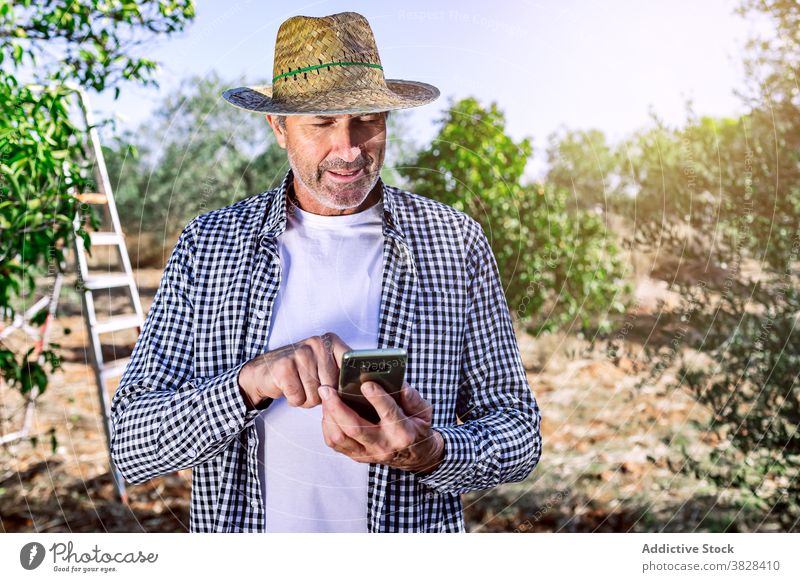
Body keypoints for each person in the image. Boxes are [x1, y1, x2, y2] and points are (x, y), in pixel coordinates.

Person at [110, 11, 542, 533]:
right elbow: (130, 441)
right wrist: (249, 383)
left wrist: (433, 451)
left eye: (367, 118)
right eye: (321, 122)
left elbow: (519, 433)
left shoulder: (453, 242)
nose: (349, 148)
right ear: (278, 127)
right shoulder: (209, 246)